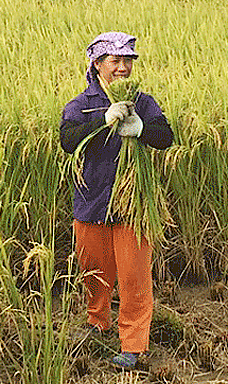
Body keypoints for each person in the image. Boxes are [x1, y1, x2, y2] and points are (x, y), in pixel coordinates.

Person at [59, 31, 174, 370]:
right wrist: (101, 120)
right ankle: (98, 322)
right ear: (97, 64)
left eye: (128, 61)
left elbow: (165, 137)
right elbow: (68, 140)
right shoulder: (81, 105)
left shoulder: (143, 102)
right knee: (94, 271)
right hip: (92, 201)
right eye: (115, 61)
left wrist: (141, 129)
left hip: (133, 206)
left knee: (135, 276)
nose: (123, 67)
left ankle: (133, 346)